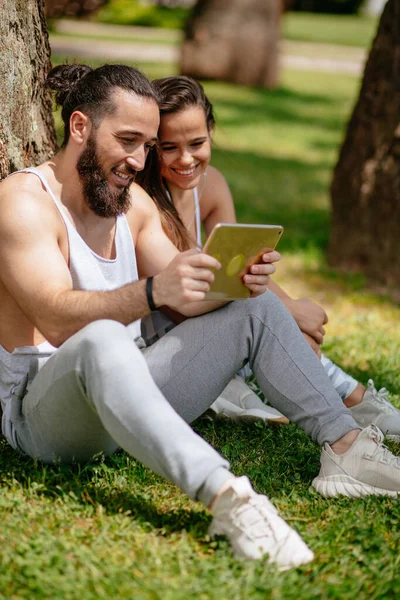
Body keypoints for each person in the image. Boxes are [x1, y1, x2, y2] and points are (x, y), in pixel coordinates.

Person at [1, 64, 399, 571]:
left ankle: (346, 449)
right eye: (128, 140)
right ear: (80, 127)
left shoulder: (133, 204)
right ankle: (230, 498)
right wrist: (150, 292)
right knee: (102, 340)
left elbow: (187, 296)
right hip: (46, 415)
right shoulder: (22, 203)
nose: (137, 160)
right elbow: (56, 319)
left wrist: (242, 280)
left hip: (133, 392)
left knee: (255, 306)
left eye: (147, 145)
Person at [143, 74, 400, 439]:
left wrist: (288, 306)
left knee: (284, 327)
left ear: (211, 132)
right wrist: (289, 313)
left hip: (219, 317)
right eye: (169, 147)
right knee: (279, 325)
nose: (186, 159)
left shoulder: (211, 185)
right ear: (153, 146)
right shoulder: (145, 205)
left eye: (197, 142)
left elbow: (236, 269)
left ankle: (350, 399)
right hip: (173, 339)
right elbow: (179, 302)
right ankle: (352, 400)